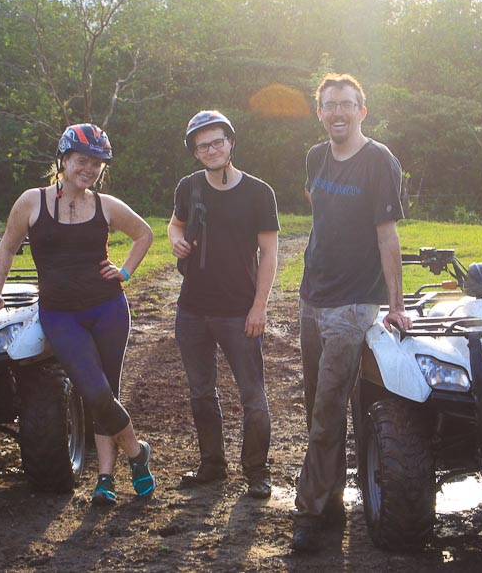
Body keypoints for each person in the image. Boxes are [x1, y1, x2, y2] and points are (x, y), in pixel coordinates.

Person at [0, 123, 156, 506]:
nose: (89, 169)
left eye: (96, 164)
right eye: (82, 160)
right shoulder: (31, 202)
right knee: (94, 391)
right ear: (63, 160)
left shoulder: (106, 206)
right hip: (60, 315)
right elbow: (7, 248)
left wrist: (124, 271)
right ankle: (137, 453)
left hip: (108, 309)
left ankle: (105, 479)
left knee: (107, 390)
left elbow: (144, 233)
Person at [291, 74, 412, 552]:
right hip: (311, 298)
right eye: (328, 105)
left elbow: (387, 236)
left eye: (346, 104)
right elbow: (321, 216)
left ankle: (310, 512)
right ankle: (333, 499)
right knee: (316, 402)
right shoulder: (315, 157)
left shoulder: (379, 161)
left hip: (354, 303)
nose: (337, 112)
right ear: (319, 112)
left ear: (362, 110)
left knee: (326, 410)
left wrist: (396, 306)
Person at [168, 110, 280, 499]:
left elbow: (269, 255)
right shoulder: (189, 187)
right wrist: (175, 240)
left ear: (231, 142)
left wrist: (259, 306)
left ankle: (257, 471)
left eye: (218, 141)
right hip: (192, 309)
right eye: (203, 146)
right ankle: (211, 465)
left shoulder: (259, 192)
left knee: (253, 395)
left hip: (239, 311)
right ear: (195, 153)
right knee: (201, 392)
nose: (212, 149)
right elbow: (175, 223)